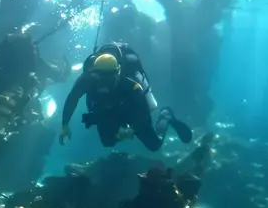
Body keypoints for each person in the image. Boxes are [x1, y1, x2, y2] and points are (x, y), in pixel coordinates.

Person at [58, 42, 192, 151]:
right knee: (107, 142)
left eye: (109, 79)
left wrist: (132, 129)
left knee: (154, 145)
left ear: (118, 72)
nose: (105, 84)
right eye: (101, 79)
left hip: (130, 106)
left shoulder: (132, 86)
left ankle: (165, 115)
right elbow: (73, 98)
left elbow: (143, 114)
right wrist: (65, 124)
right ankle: (120, 129)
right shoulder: (87, 80)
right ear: (94, 74)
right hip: (108, 107)